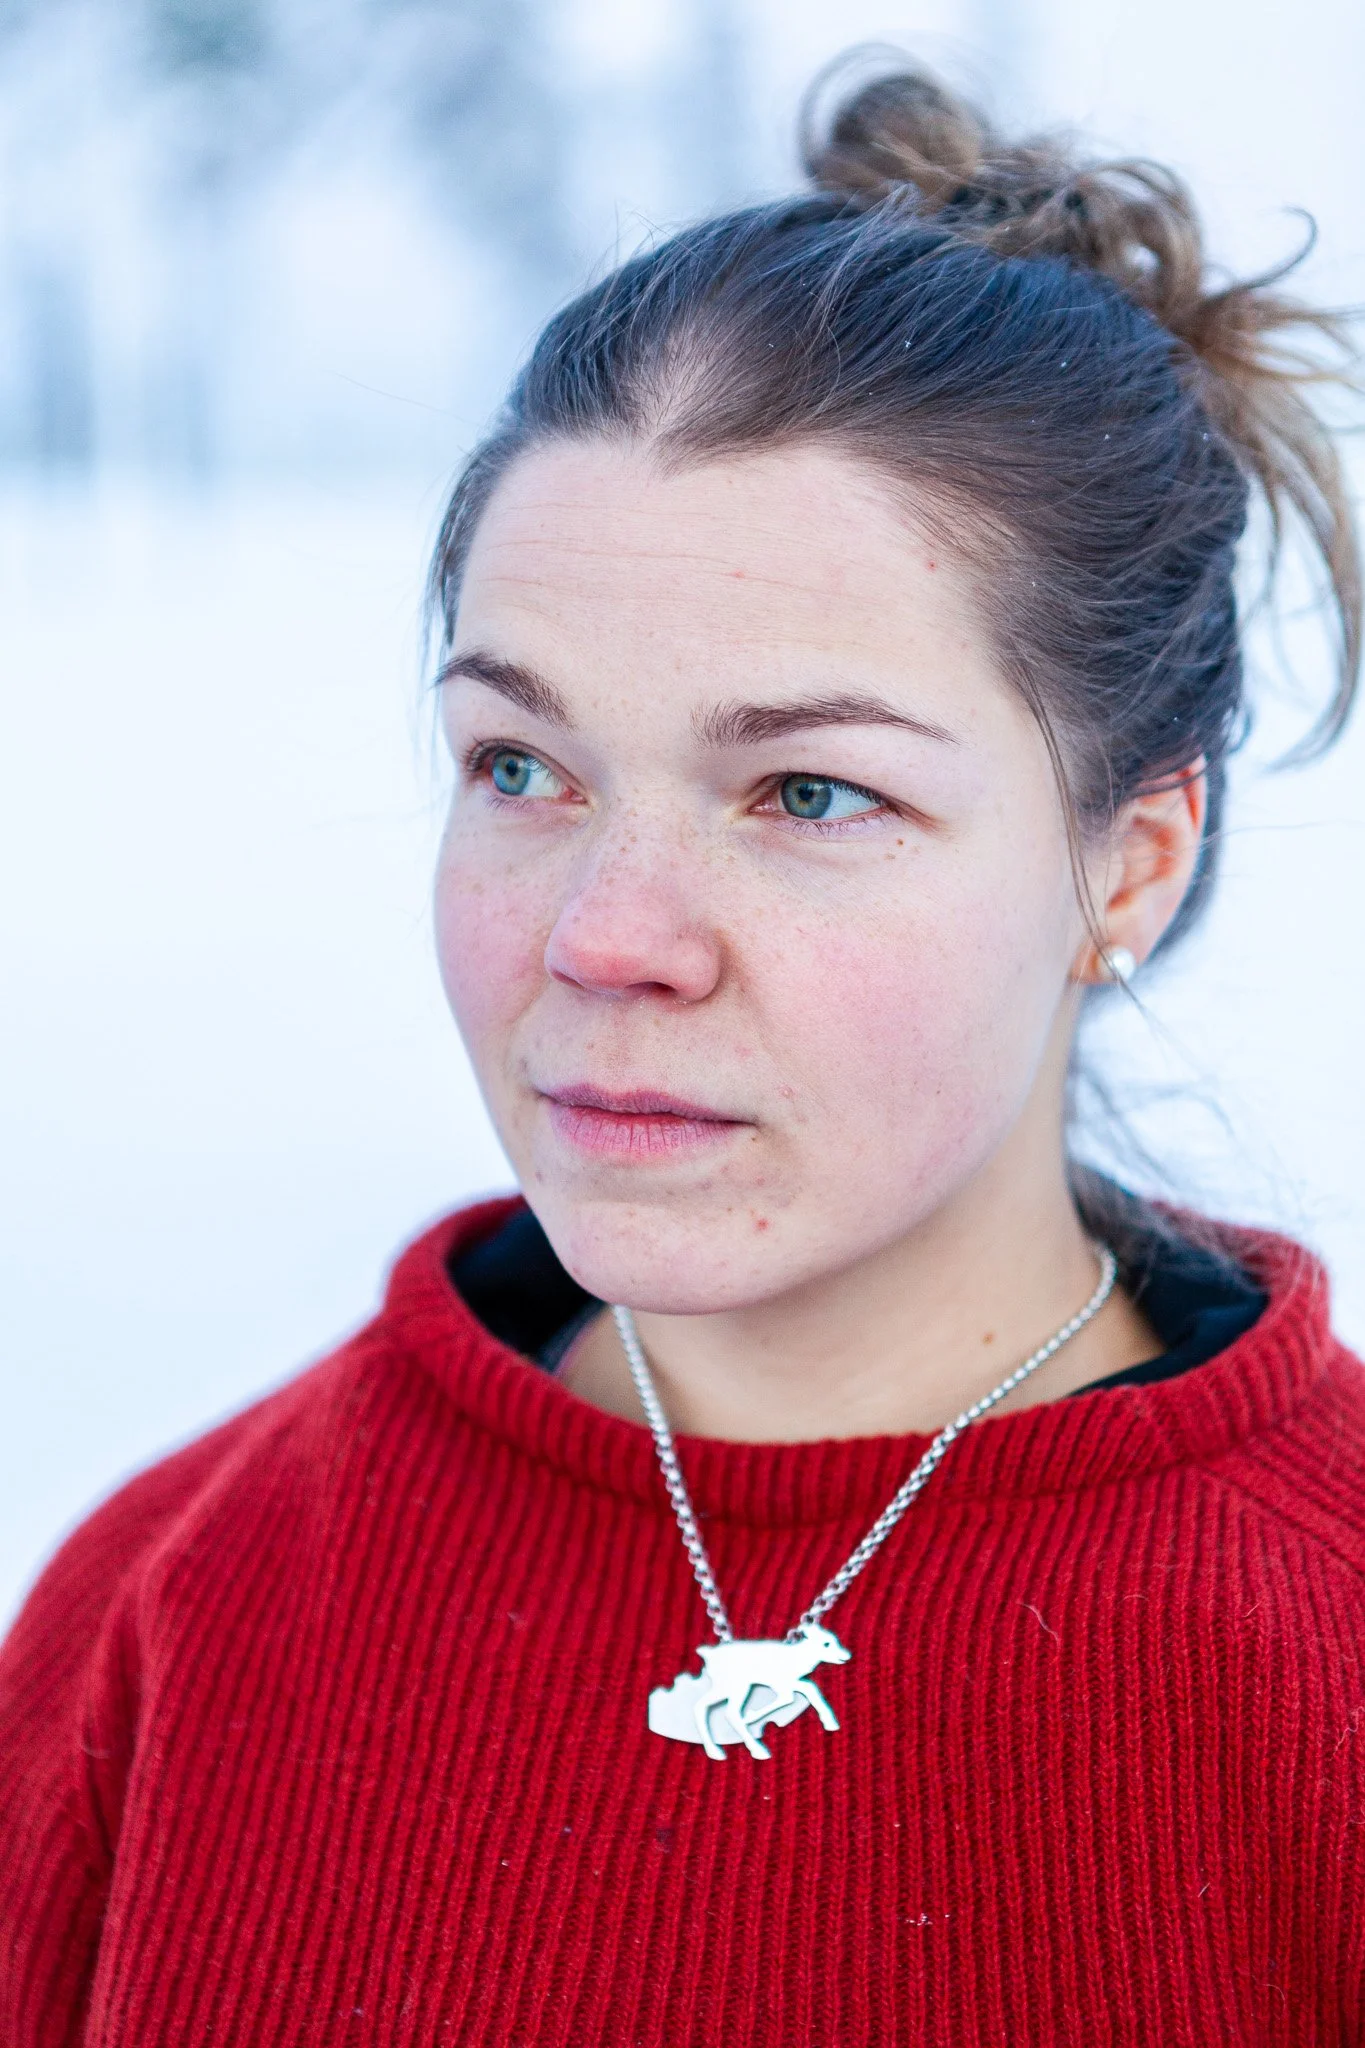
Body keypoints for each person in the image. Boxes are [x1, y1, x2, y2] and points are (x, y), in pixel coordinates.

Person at [2, 58, 1362, 2046]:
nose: (603, 937)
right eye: (521, 765)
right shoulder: (169, 1611)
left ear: (1127, 863)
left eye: (809, 793)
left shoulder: (1323, 1676)